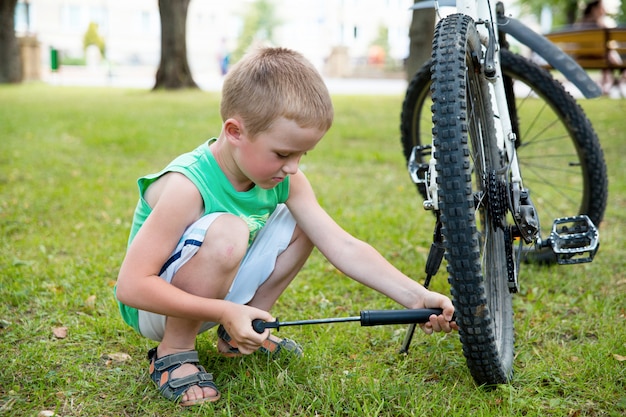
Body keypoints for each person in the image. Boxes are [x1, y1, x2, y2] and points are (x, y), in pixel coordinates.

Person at [115, 46, 457, 407]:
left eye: (301, 155)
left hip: (220, 297)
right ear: (235, 131)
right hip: (158, 310)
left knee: (302, 220)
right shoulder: (188, 185)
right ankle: (175, 353)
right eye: (282, 154)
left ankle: (249, 329)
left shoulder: (286, 181)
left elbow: (341, 245)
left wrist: (416, 297)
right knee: (230, 231)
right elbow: (131, 286)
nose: (292, 167)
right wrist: (224, 311)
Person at [576, 0, 626, 94]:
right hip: (597, 57)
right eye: (601, 7)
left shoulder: (581, 23)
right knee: (609, 55)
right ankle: (620, 74)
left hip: (581, 57)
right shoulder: (599, 25)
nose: (603, 10)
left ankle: (608, 83)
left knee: (608, 56)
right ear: (595, 9)